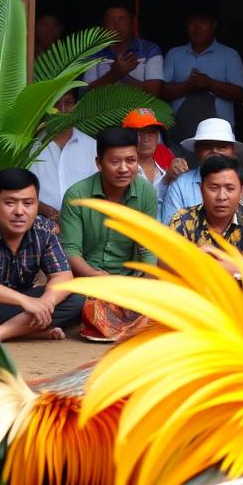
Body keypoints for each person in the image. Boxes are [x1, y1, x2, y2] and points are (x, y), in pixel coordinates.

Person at [0, 168, 85, 341]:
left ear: (37, 204)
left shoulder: (43, 229)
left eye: (28, 203)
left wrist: (46, 303)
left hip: (25, 307)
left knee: (76, 297)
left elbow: (63, 276)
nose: (20, 211)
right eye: (10, 203)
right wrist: (23, 301)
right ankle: (30, 330)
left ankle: (0, 333)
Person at [58, 126, 157, 342]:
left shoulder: (145, 191)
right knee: (79, 304)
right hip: (89, 282)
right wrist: (94, 276)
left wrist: (150, 285)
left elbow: (149, 246)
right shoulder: (77, 195)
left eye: (131, 160)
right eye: (115, 162)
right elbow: (70, 249)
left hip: (130, 283)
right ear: (99, 163)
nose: (124, 168)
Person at [168, 154, 243, 306]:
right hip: (198, 295)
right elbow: (166, 263)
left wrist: (222, 264)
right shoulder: (184, 219)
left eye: (230, 188)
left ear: (241, 191)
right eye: (214, 188)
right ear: (201, 189)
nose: (221, 196)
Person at [161, 6, 243, 128]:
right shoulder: (174, 53)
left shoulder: (230, 54)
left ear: (214, 25)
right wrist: (188, 86)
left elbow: (239, 94)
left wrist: (209, 83)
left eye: (203, 22)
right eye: (192, 22)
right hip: (178, 132)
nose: (197, 28)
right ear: (186, 26)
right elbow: (161, 91)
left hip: (219, 134)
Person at [159, 117, 243, 221]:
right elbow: (170, 230)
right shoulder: (180, 184)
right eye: (207, 147)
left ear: (233, 151)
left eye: (221, 147)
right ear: (196, 150)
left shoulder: (238, 181)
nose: (214, 151)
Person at [29, 92, 97, 220]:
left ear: (76, 106)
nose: (62, 110)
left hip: (85, 228)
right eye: (56, 104)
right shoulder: (30, 148)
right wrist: (44, 209)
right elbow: (17, 189)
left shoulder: (93, 147)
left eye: (68, 103)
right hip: (38, 227)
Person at [82, 5, 163, 97]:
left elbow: (153, 94)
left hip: (138, 110)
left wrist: (124, 76)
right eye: (111, 20)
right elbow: (84, 94)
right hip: (104, 111)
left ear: (133, 23)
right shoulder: (94, 52)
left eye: (122, 19)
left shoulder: (149, 50)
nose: (116, 25)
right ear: (104, 25)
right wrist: (114, 74)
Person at [122, 107, 183, 216]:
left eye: (152, 133)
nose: (146, 138)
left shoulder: (165, 158)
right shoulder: (119, 167)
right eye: (140, 133)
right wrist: (166, 180)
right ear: (126, 136)